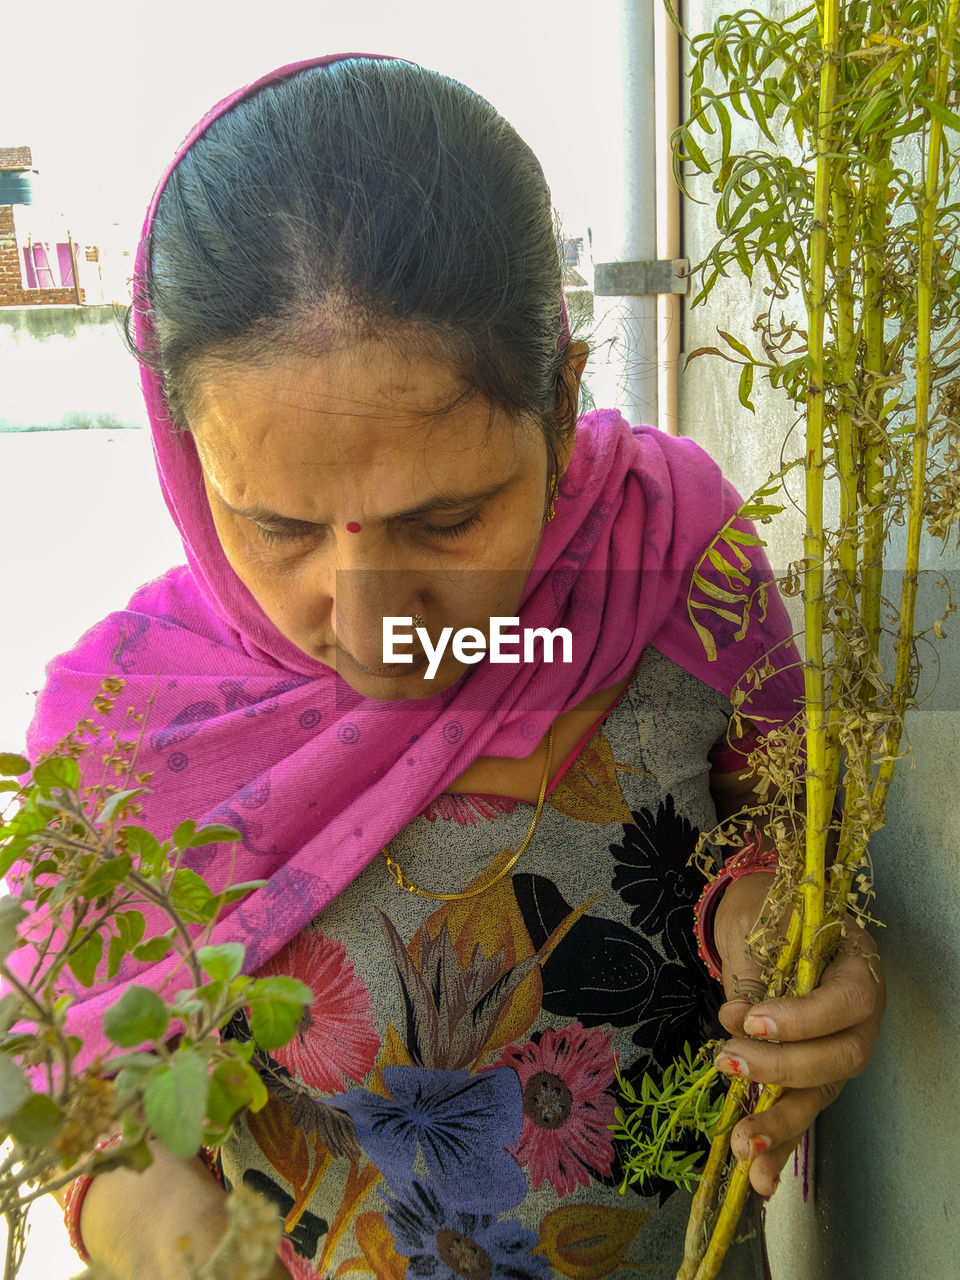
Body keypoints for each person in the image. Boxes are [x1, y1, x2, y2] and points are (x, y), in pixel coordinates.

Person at [24, 54, 884, 1280]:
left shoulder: (668, 554)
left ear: (564, 393)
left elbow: (781, 814)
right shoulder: (127, 729)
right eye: (278, 527)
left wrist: (800, 940)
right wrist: (174, 1238)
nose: (369, 612)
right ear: (180, 452)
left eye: (449, 519)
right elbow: (89, 1106)